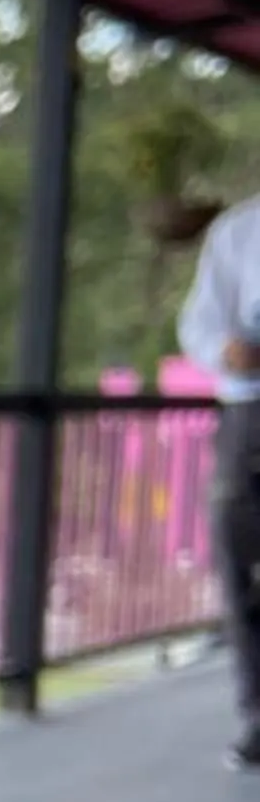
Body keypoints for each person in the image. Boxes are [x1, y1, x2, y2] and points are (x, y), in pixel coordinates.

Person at [178, 197, 260, 767]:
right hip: (250, 415)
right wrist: (224, 353)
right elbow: (201, 324)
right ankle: (258, 714)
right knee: (239, 564)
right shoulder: (240, 230)